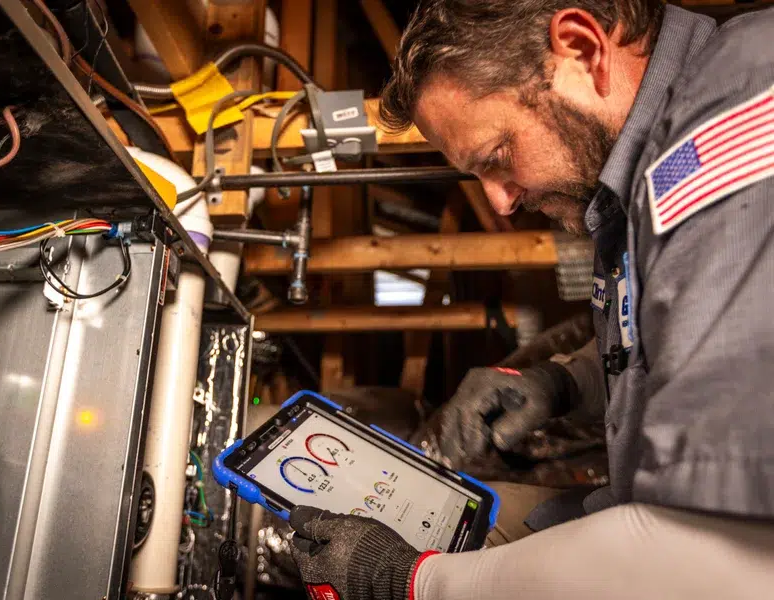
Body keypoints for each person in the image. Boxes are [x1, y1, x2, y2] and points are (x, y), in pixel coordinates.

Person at [288, 1, 774, 599]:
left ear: (581, 50)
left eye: (497, 157)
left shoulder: (736, 118)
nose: (501, 203)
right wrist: (564, 382)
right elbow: (682, 343)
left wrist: (416, 582)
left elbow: (713, 557)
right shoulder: (632, 187)